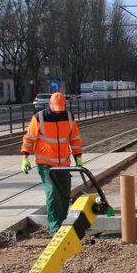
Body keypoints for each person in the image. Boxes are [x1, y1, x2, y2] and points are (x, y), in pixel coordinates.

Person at [21, 92, 84, 233]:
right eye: (56, 108)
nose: (58, 111)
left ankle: (62, 223)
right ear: (50, 104)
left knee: (64, 194)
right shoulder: (39, 118)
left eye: (60, 108)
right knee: (52, 193)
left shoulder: (68, 117)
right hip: (46, 164)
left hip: (64, 164)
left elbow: (74, 138)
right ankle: (55, 227)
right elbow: (29, 138)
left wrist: (78, 156)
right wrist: (25, 158)